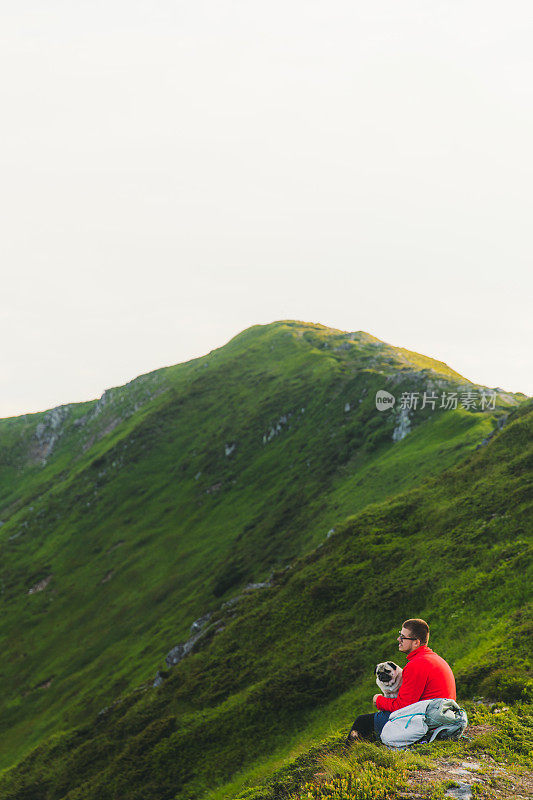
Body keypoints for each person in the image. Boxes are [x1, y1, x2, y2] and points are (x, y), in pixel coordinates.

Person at [346, 618, 456, 744]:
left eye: (403, 637)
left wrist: (378, 700)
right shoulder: (433, 658)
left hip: (427, 722)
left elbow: (404, 707)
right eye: (400, 635)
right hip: (442, 718)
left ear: (416, 642)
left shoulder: (416, 665)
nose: (399, 639)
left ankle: (346, 757)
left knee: (362, 722)